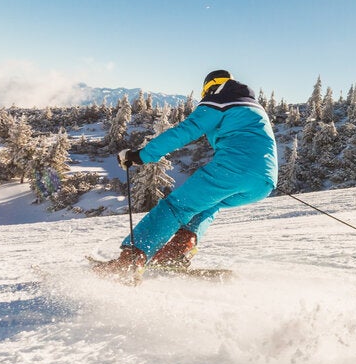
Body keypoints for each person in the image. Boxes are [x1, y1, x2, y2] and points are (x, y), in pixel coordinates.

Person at [93, 70, 278, 277]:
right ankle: (175, 254)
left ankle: (130, 261)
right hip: (264, 182)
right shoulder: (252, 105)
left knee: (175, 207)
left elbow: (185, 131)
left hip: (233, 170)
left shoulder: (220, 97)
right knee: (208, 204)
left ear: (209, 87)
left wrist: (141, 156)